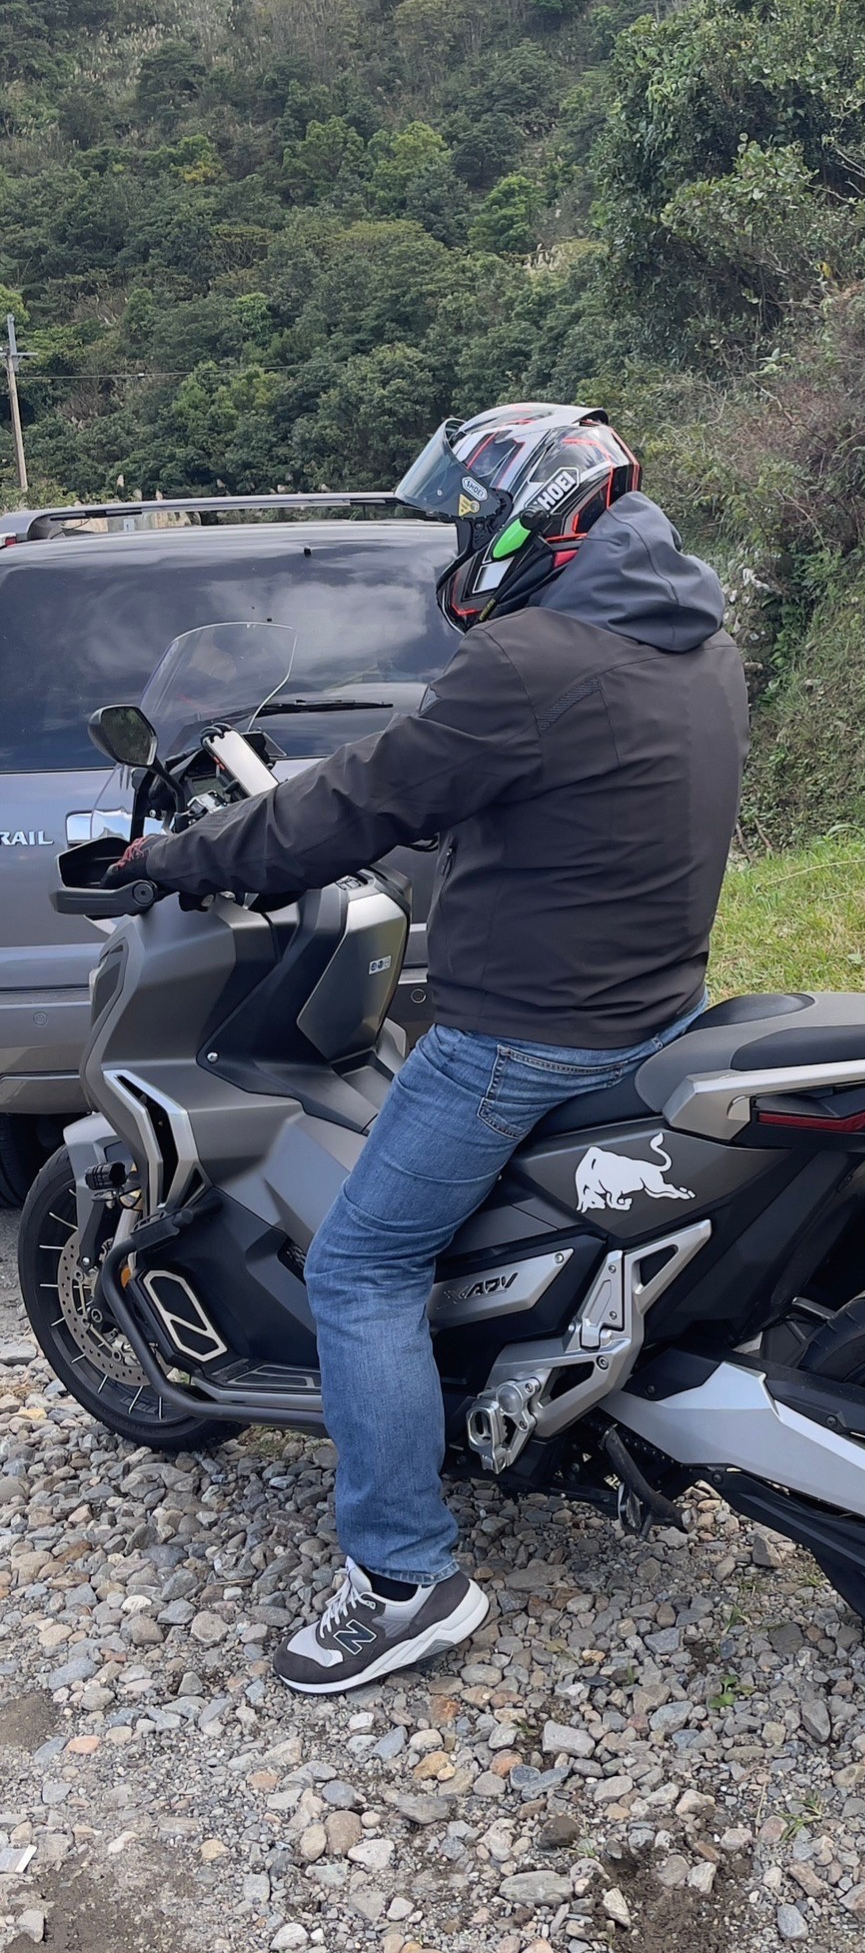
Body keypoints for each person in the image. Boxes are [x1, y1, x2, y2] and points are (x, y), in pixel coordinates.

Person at [109, 406, 749, 1694]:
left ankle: (403, 1580)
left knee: (361, 1267)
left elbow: (355, 803)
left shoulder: (528, 661)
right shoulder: (698, 640)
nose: (461, 540)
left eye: (470, 517)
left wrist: (177, 856)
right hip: (654, 1004)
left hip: (524, 1035)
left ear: (530, 519)